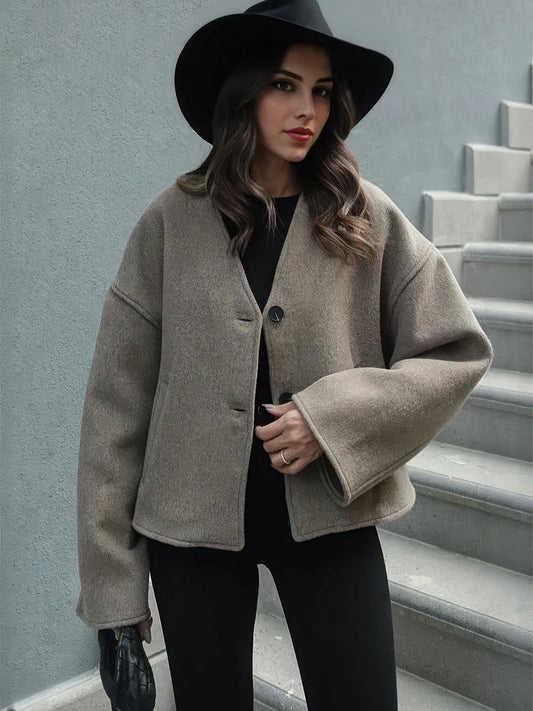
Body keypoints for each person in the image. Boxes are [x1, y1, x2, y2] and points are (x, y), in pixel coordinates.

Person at [75, 1, 493, 709]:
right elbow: (115, 410)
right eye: (284, 84)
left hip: (331, 515)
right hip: (190, 534)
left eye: (321, 91)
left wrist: (330, 417)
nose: (307, 110)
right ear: (242, 93)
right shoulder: (169, 224)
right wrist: (113, 591)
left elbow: (456, 349)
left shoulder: (364, 214)